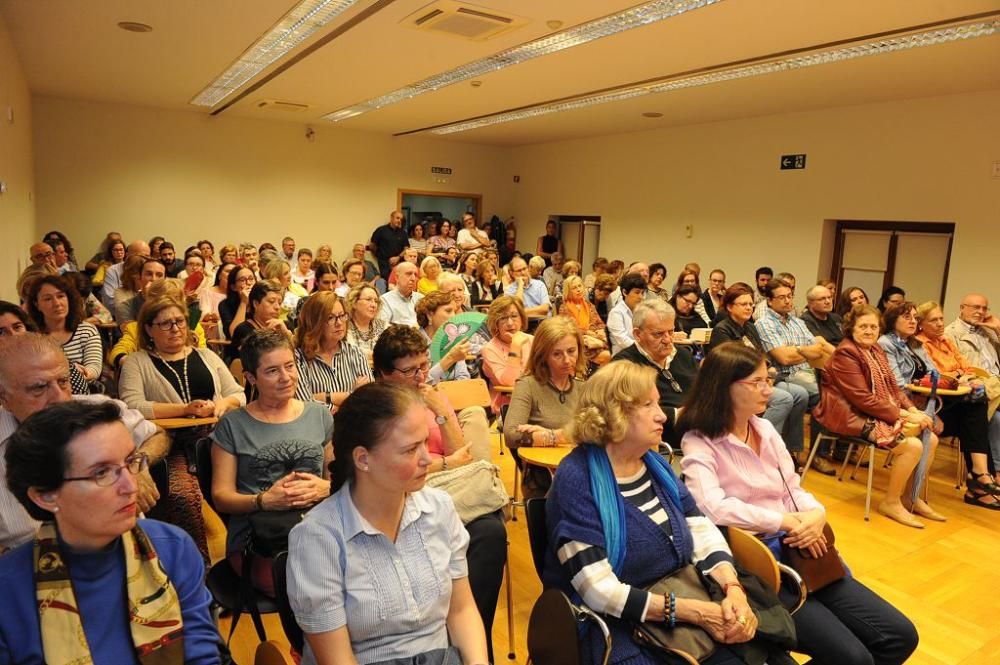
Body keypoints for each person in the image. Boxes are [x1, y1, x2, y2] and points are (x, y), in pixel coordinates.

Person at [679, 342, 920, 665]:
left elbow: (792, 489)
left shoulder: (763, 428)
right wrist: (783, 521)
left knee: (900, 636)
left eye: (769, 379)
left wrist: (816, 515)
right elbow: (711, 507)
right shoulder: (699, 439)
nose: (769, 389)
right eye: (758, 382)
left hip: (803, 549)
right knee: (854, 657)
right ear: (724, 387)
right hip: (759, 564)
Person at [543, 361, 765, 665]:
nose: (662, 415)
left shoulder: (654, 463)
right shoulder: (577, 479)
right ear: (614, 413)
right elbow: (598, 591)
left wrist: (732, 587)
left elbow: (699, 526)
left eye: (658, 402)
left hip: (683, 594)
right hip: (619, 623)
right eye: (648, 405)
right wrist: (694, 612)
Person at [0, 400, 221, 664]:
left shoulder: (172, 549)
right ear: (45, 496)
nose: (130, 485)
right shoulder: (9, 589)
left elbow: (202, 656)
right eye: (102, 472)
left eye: (130, 462)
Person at [287, 383, 489, 665]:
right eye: (410, 450)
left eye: (424, 443)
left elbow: (461, 610)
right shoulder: (317, 538)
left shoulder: (439, 508)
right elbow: (337, 659)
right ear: (363, 459)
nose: (427, 459)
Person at [0, 333, 168, 552]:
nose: (59, 398)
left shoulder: (99, 411)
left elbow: (158, 435)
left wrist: (137, 464)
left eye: (63, 381)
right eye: (39, 388)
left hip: (127, 549)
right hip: (26, 567)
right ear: (4, 398)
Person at [118, 296, 245, 562]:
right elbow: (132, 405)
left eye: (179, 322)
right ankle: (200, 569)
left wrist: (222, 404)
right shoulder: (136, 362)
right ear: (149, 329)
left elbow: (239, 393)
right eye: (165, 324)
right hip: (170, 444)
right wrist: (184, 409)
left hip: (218, 439)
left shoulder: (207, 355)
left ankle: (238, 565)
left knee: (246, 487)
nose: (175, 328)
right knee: (183, 497)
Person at [211, 330, 333, 595]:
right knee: (317, 588)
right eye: (272, 371)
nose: (286, 377)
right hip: (262, 541)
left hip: (321, 530)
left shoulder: (318, 415)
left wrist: (325, 488)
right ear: (251, 378)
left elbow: (336, 478)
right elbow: (221, 496)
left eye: (290, 366)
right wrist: (263, 500)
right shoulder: (233, 426)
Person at [814, 305, 942, 528]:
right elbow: (862, 399)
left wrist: (912, 410)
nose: (869, 331)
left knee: (930, 439)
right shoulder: (846, 353)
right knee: (912, 446)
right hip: (850, 415)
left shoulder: (875, 350)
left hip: (874, 411)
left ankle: (911, 497)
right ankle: (891, 502)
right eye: (863, 326)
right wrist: (902, 414)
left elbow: (893, 388)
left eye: (873, 326)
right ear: (851, 328)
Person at [880, 302, 999, 509]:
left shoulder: (914, 343)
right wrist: (928, 412)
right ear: (892, 320)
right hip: (907, 406)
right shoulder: (886, 343)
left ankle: (980, 476)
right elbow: (898, 386)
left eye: (915, 317)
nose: (912, 321)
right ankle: (979, 480)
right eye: (907, 317)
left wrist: (958, 381)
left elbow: (935, 373)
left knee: (975, 406)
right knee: (974, 416)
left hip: (928, 401)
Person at [707, 284, 813, 467]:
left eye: (751, 304)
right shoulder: (722, 330)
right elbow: (732, 365)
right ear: (730, 307)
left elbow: (763, 355)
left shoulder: (750, 327)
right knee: (784, 399)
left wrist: (767, 373)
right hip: (737, 384)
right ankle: (761, 450)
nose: (749, 307)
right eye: (743, 304)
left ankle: (789, 450)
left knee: (801, 394)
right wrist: (762, 376)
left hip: (760, 379)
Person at [916, 301, 1000, 487]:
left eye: (941, 318)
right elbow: (937, 375)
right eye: (933, 320)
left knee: (980, 407)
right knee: (978, 405)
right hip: (940, 402)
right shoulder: (920, 345)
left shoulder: (945, 341)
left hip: (962, 395)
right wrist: (961, 376)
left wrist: (963, 375)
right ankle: (983, 478)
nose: (939, 324)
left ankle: (982, 477)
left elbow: (967, 367)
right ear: (920, 323)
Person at [503, 317, 585, 497]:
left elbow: (597, 432)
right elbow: (510, 435)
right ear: (543, 355)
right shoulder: (528, 385)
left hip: (582, 469)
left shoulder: (583, 387)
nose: (567, 360)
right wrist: (559, 436)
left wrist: (544, 434)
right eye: (557, 354)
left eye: (571, 351)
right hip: (543, 477)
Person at [611, 299, 699, 448]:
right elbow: (626, 411)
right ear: (638, 334)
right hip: (660, 446)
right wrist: (677, 415)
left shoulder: (683, 355)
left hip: (700, 438)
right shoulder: (624, 365)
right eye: (658, 334)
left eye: (671, 332)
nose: (667, 340)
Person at [755, 279, 833, 411]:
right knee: (826, 397)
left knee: (836, 392)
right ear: (769, 301)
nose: (787, 300)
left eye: (790, 296)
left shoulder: (798, 322)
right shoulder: (764, 323)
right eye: (782, 297)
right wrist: (805, 351)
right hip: (785, 376)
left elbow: (818, 351)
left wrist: (797, 350)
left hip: (809, 372)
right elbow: (784, 358)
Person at [293, 291, 373, 409]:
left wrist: (325, 397)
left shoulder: (355, 353)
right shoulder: (298, 357)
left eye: (342, 316)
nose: (339, 323)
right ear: (314, 322)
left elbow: (369, 398)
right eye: (330, 318)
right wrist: (352, 395)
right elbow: (306, 405)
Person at [27, 275, 103, 395]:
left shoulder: (86, 330)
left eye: (61, 296)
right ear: (37, 304)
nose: (57, 303)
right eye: (48, 299)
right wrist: (68, 369)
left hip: (81, 395)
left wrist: (77, 374)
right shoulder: (31, 336)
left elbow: (94, 367)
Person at [480, 296, 532, 415]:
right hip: (508, 409)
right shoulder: (489, 349)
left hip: (537, 402)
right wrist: (515, 347)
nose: (510, 323)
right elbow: (510, 382)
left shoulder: (532, 340)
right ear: (495, 323)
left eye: (514, 316)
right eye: (503, 318)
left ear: (522, 318)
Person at [229, 281, 290, 365]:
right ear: (256, 304)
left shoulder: (285, 326)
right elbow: (252, 362)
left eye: (279, 303)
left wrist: (287, 334)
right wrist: (266, 335)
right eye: (271, 302)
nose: (277, 307)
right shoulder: (244, 330)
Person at [945, 292, 1000, 376]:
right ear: (962, 308)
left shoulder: (990, 331)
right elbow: (952, 369)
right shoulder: (949, 334)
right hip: (977, 383)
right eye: (976, 307)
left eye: (984, 309)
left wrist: (998, 329)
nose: (981, 312)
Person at [559, 274, 610, 365]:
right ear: (568, 291)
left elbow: (600, 323)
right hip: (579, 342)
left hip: (594, 339)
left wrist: (601, 331)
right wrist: (587, 332)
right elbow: (569, 329)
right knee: (608, 356)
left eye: (580, 286)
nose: (578, 289)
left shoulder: (589, 305)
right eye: (574, 288)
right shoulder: (565, 308)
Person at [607, 273, 647, 355]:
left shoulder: (641, 311)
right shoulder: (616, 313)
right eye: (637, 292)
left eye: (642, 293)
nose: (641, 297)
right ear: (625, 292)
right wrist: (645, 349)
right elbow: (623, 341)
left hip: (639, 354)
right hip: (622, 358)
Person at [345, 283, 388, 360]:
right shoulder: (344, 327)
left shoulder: (384, 327)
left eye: (376, 301)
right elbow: (347, 354)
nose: (374, 305)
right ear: (354, 302)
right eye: (368, 300)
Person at [378, 261, 423, 326]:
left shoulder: (421, 298)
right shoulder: (384, 300)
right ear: (397, 277)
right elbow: (383, 328)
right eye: (409, 274)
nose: (413, 279)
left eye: (415, 275)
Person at [219, 265, 257, 340]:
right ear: (233, 287)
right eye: (242, 280)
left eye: (251, 279)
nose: (248, 283)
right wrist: (243, 302)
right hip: (236, 348)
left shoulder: (261, 301)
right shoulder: (225, 305)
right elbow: (233, 334)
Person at [370, 210, 409, 279]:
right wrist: (379, 256)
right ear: (391, 218)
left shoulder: (403, 233)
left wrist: (398, 257)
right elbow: (372, 246)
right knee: (387, 282)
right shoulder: (381, 230)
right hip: (384, 263)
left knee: (399, 281)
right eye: (397, 218)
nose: (399, 220)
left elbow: (406, 248)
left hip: (399, 263)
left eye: (401, 219)